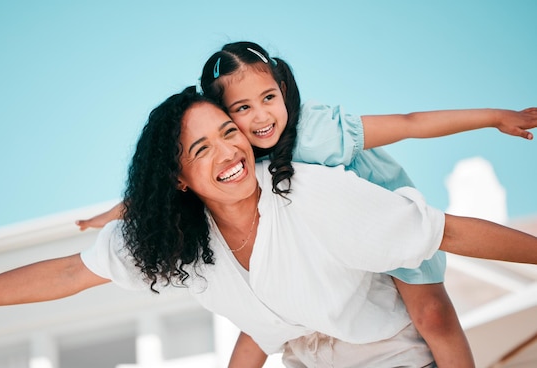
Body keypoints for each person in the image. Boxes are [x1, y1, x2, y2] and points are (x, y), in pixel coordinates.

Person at [0, 87, 537, 367]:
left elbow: (447, 232)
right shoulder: (181, 241)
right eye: (199, 148)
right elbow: (68, 273)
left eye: (229, 133)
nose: (226, 153)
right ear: (180, 179)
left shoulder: (307, 193)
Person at [76, 41, 537, 368]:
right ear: (223, 116)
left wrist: (495, 117)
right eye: (241, 109)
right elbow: (166, 185)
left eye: (269, 98)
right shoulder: (238, 156)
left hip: (384, 218)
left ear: (283, 90)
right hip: (321, 249)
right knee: (267, 309)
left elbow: (409, 122)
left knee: (432, 315)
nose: (260, 118)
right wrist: (116, 213)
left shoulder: (316, 131)